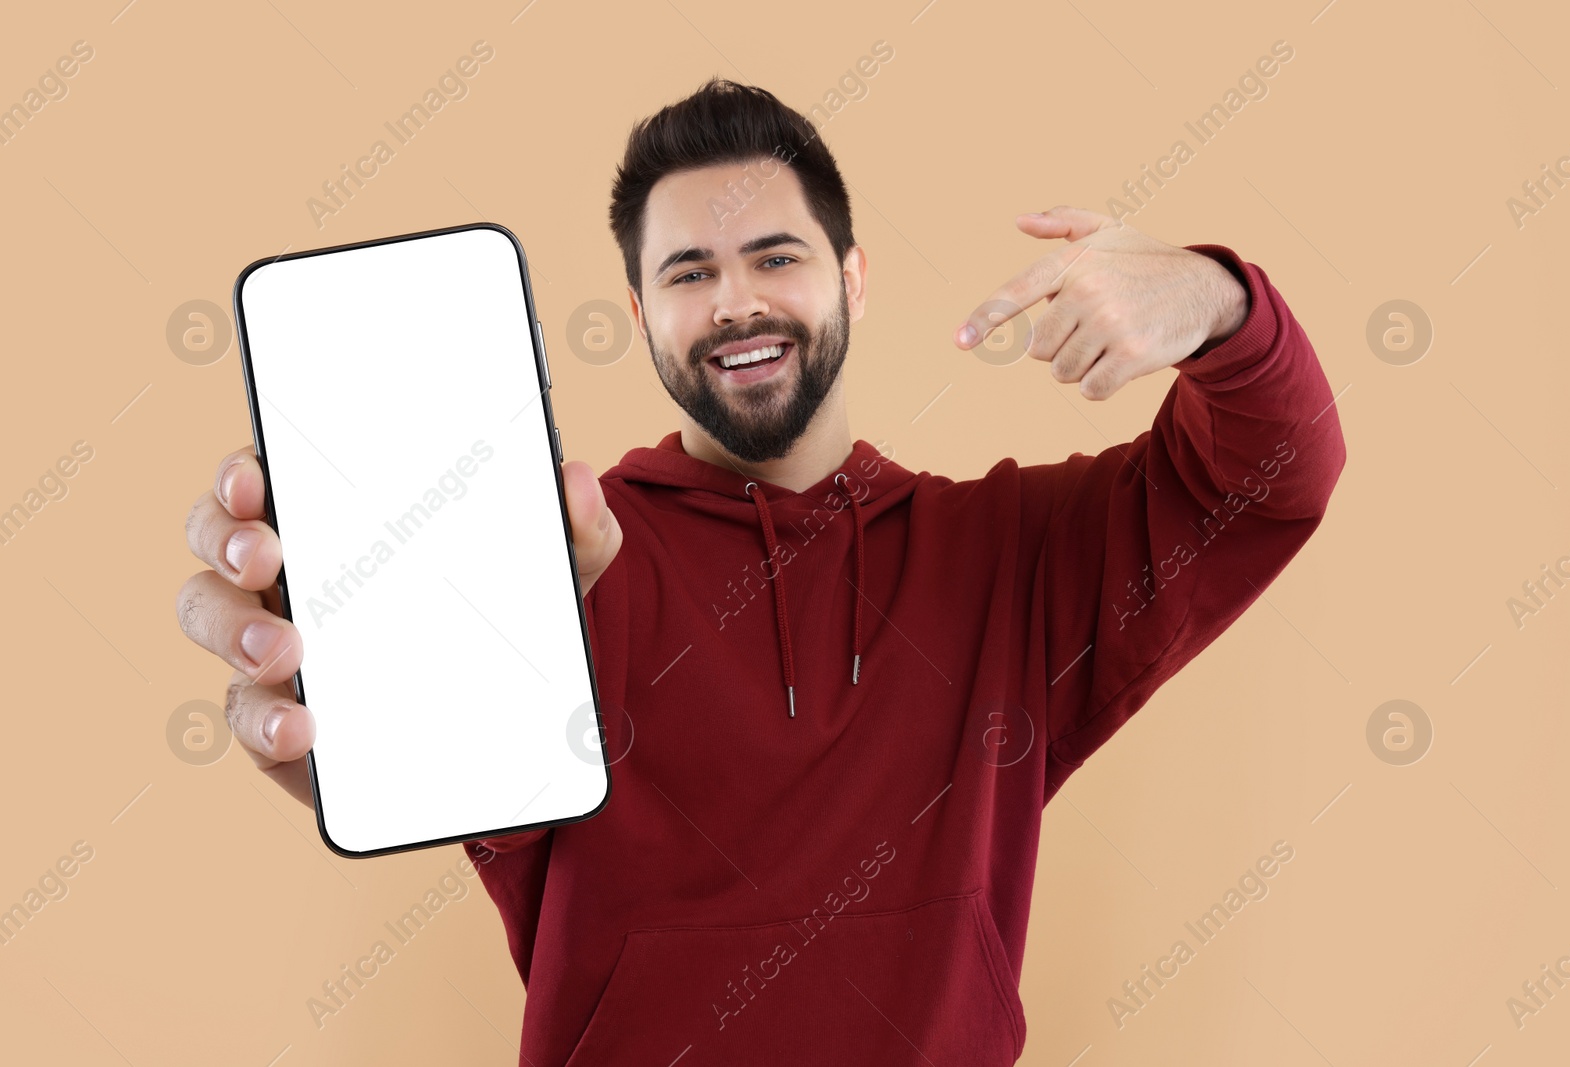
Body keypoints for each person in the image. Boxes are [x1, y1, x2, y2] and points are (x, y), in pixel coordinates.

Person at [177, 77, 1345, 1065]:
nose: (734, 300)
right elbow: (411, 745)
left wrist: (1211, 300)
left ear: (853, 274)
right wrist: (343, 720)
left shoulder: (1012, 558)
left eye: (774, 256)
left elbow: (1277, 474)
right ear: (639, 314)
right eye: (687, 272)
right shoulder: (549, 559)